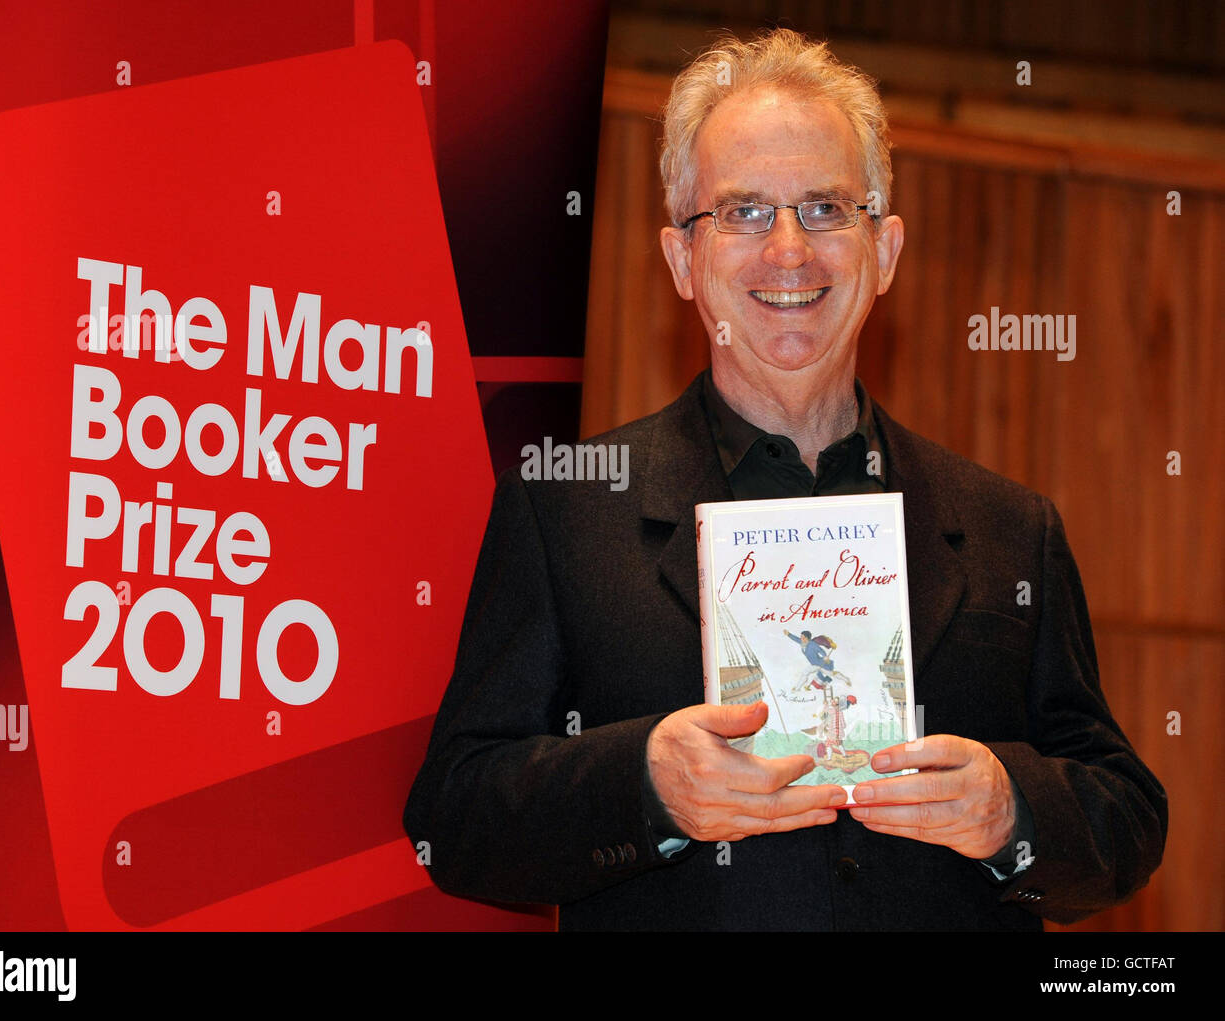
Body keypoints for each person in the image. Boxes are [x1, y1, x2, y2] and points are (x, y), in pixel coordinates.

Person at [403, 28, 1166, 931]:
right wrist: (644, 783)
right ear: (684, 259)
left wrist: (1014, 811)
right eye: (745, 211)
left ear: (883, 250)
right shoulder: (565, 510)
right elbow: (450, 819)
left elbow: (1127, 819)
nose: (790, 250)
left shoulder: (1011, 529)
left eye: (826, 208)